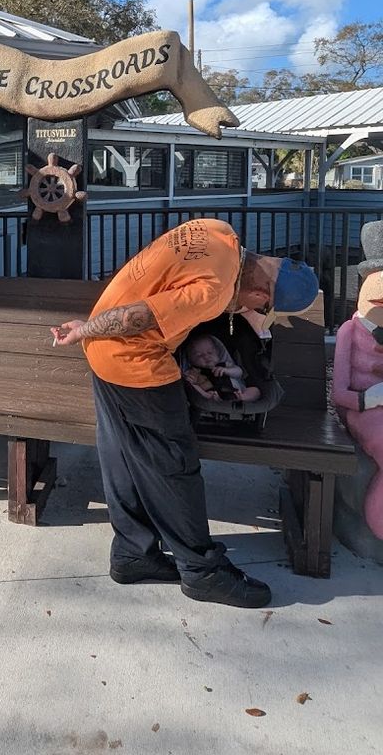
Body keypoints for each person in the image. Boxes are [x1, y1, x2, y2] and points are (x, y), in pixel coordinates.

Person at [51, 218, 319, 609]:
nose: (252, 308)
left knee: (122, 455)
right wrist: (87, 328)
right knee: (174, 463)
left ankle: (133, 553)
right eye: (262, 306)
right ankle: (201, 570)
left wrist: (91, 329)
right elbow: (142, 314)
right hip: (133, 360)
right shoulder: (214, 291)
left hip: (104, 353)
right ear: (262, 291)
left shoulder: (218, 231)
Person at [182, 334, 260, 403]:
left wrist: (227, 370)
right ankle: (210, 397)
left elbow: (239, 373)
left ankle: (243, 397)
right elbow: (191, 384)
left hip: (237, 392)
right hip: (213, 394)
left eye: (210, 352)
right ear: (191, 360)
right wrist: (192, 381)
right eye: (199, 355)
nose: (206, 356)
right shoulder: (194, 371)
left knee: (255, 390)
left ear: (218, 353)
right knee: (193, 387)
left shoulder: (225, 365)